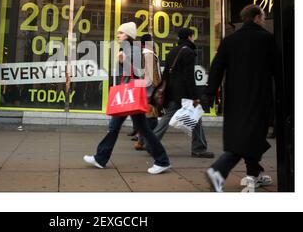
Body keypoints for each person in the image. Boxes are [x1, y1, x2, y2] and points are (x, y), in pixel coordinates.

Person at [204, 4, 275, 192]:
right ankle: (218, 170)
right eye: (263, 16)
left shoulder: (230, 40)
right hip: (259, 95)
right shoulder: (267, 39)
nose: (264, 19)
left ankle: (254, 173)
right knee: (250, 136)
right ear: (257, 17)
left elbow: (216, 68)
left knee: (244, 135)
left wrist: (210, 94)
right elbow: (278, 69)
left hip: (235, 97)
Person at [83, 22, 171, 174]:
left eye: (121, 33)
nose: (118, 35)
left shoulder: (134, 49)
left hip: (130, 95)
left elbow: (140, 73)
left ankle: (162, 160)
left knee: (124, 128)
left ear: (129, 35)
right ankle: (101, 158)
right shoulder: (128, 49)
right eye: (118, 32)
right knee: (124, 128)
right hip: (128, 96)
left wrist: (125, 61)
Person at [149, 28, 214, 158]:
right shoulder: (189, 52)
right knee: (196, 117)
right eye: (193, 36)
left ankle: (151, 143)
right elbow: (189, 77)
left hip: (173, 91)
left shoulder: (172, 51)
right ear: (190, 36)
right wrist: (195, 96)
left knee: (168, 118)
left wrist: (166, 92)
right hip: (184, 93)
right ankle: (199, 148)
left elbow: (166, 74)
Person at [134, 34, 162, 151]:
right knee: (151, 119)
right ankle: (144, 142)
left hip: (146, 89)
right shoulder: (149, 54)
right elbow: (152, 75)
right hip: (150, 91)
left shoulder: (146, 54)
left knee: (147, 118)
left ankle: (141, 142)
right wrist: (158, 88)